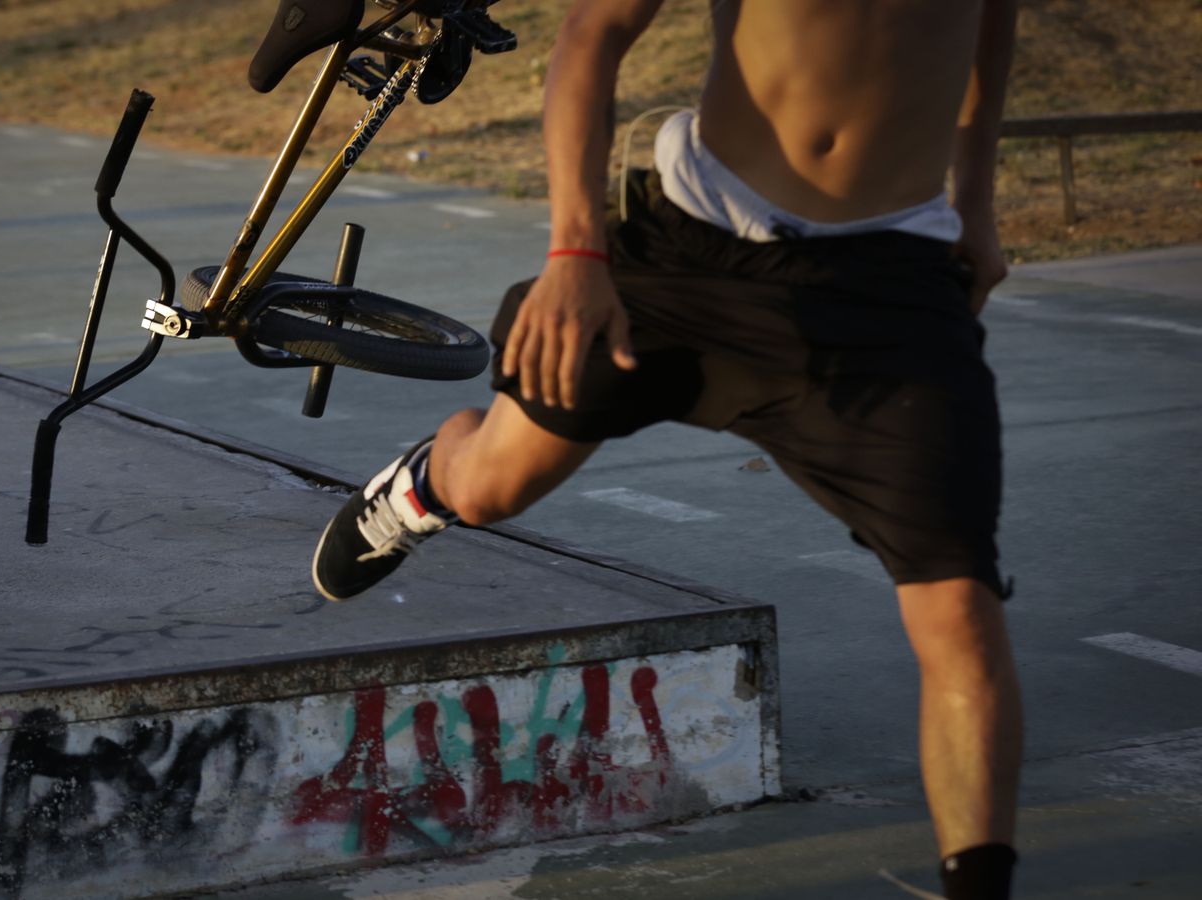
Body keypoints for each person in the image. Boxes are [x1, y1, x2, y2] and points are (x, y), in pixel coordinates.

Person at [311, 1, 1021, 897]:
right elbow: (591, 32)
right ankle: (424, 485)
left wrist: (978, 207)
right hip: (698, 255)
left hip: (888, 291)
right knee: (494, 487)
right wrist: (577, 253)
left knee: (960, 610)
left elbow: (990, 26)